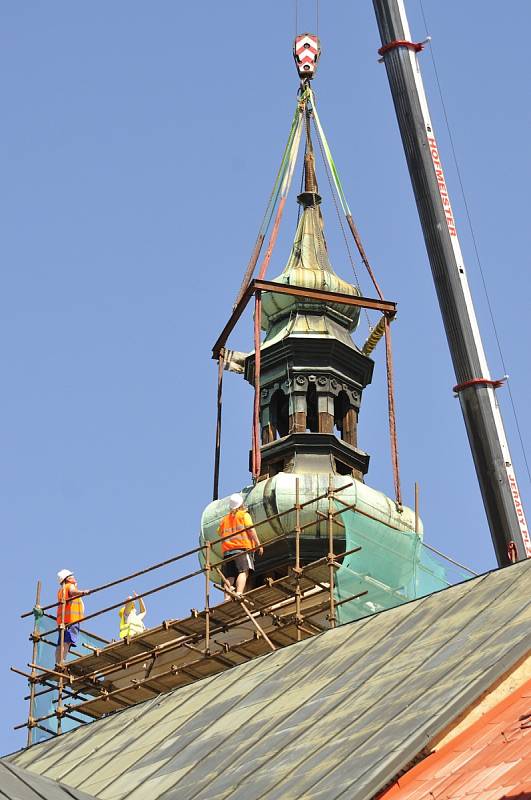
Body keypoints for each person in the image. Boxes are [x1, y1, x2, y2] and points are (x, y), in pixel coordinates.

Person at [217, 493, 263, 600]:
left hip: (227, 552)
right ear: (241, 504)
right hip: (241, 549)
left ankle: (227, 598)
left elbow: (219, 532)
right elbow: (250, 529)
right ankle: (238, 593)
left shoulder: (224, 520)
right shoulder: (243, 515)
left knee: (229, 576)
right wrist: (258, 544)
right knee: (243, 571)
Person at [55, 569, 89, 667]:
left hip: (64, 621)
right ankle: (61, 663)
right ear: (68, 578)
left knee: (61, 643)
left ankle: (58, 662)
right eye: (72, 576)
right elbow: (73, 592)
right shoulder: (70, 586)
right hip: (71, 620)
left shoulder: (61, 590)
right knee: (67, 641)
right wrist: (83, 592)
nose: (74, 577)